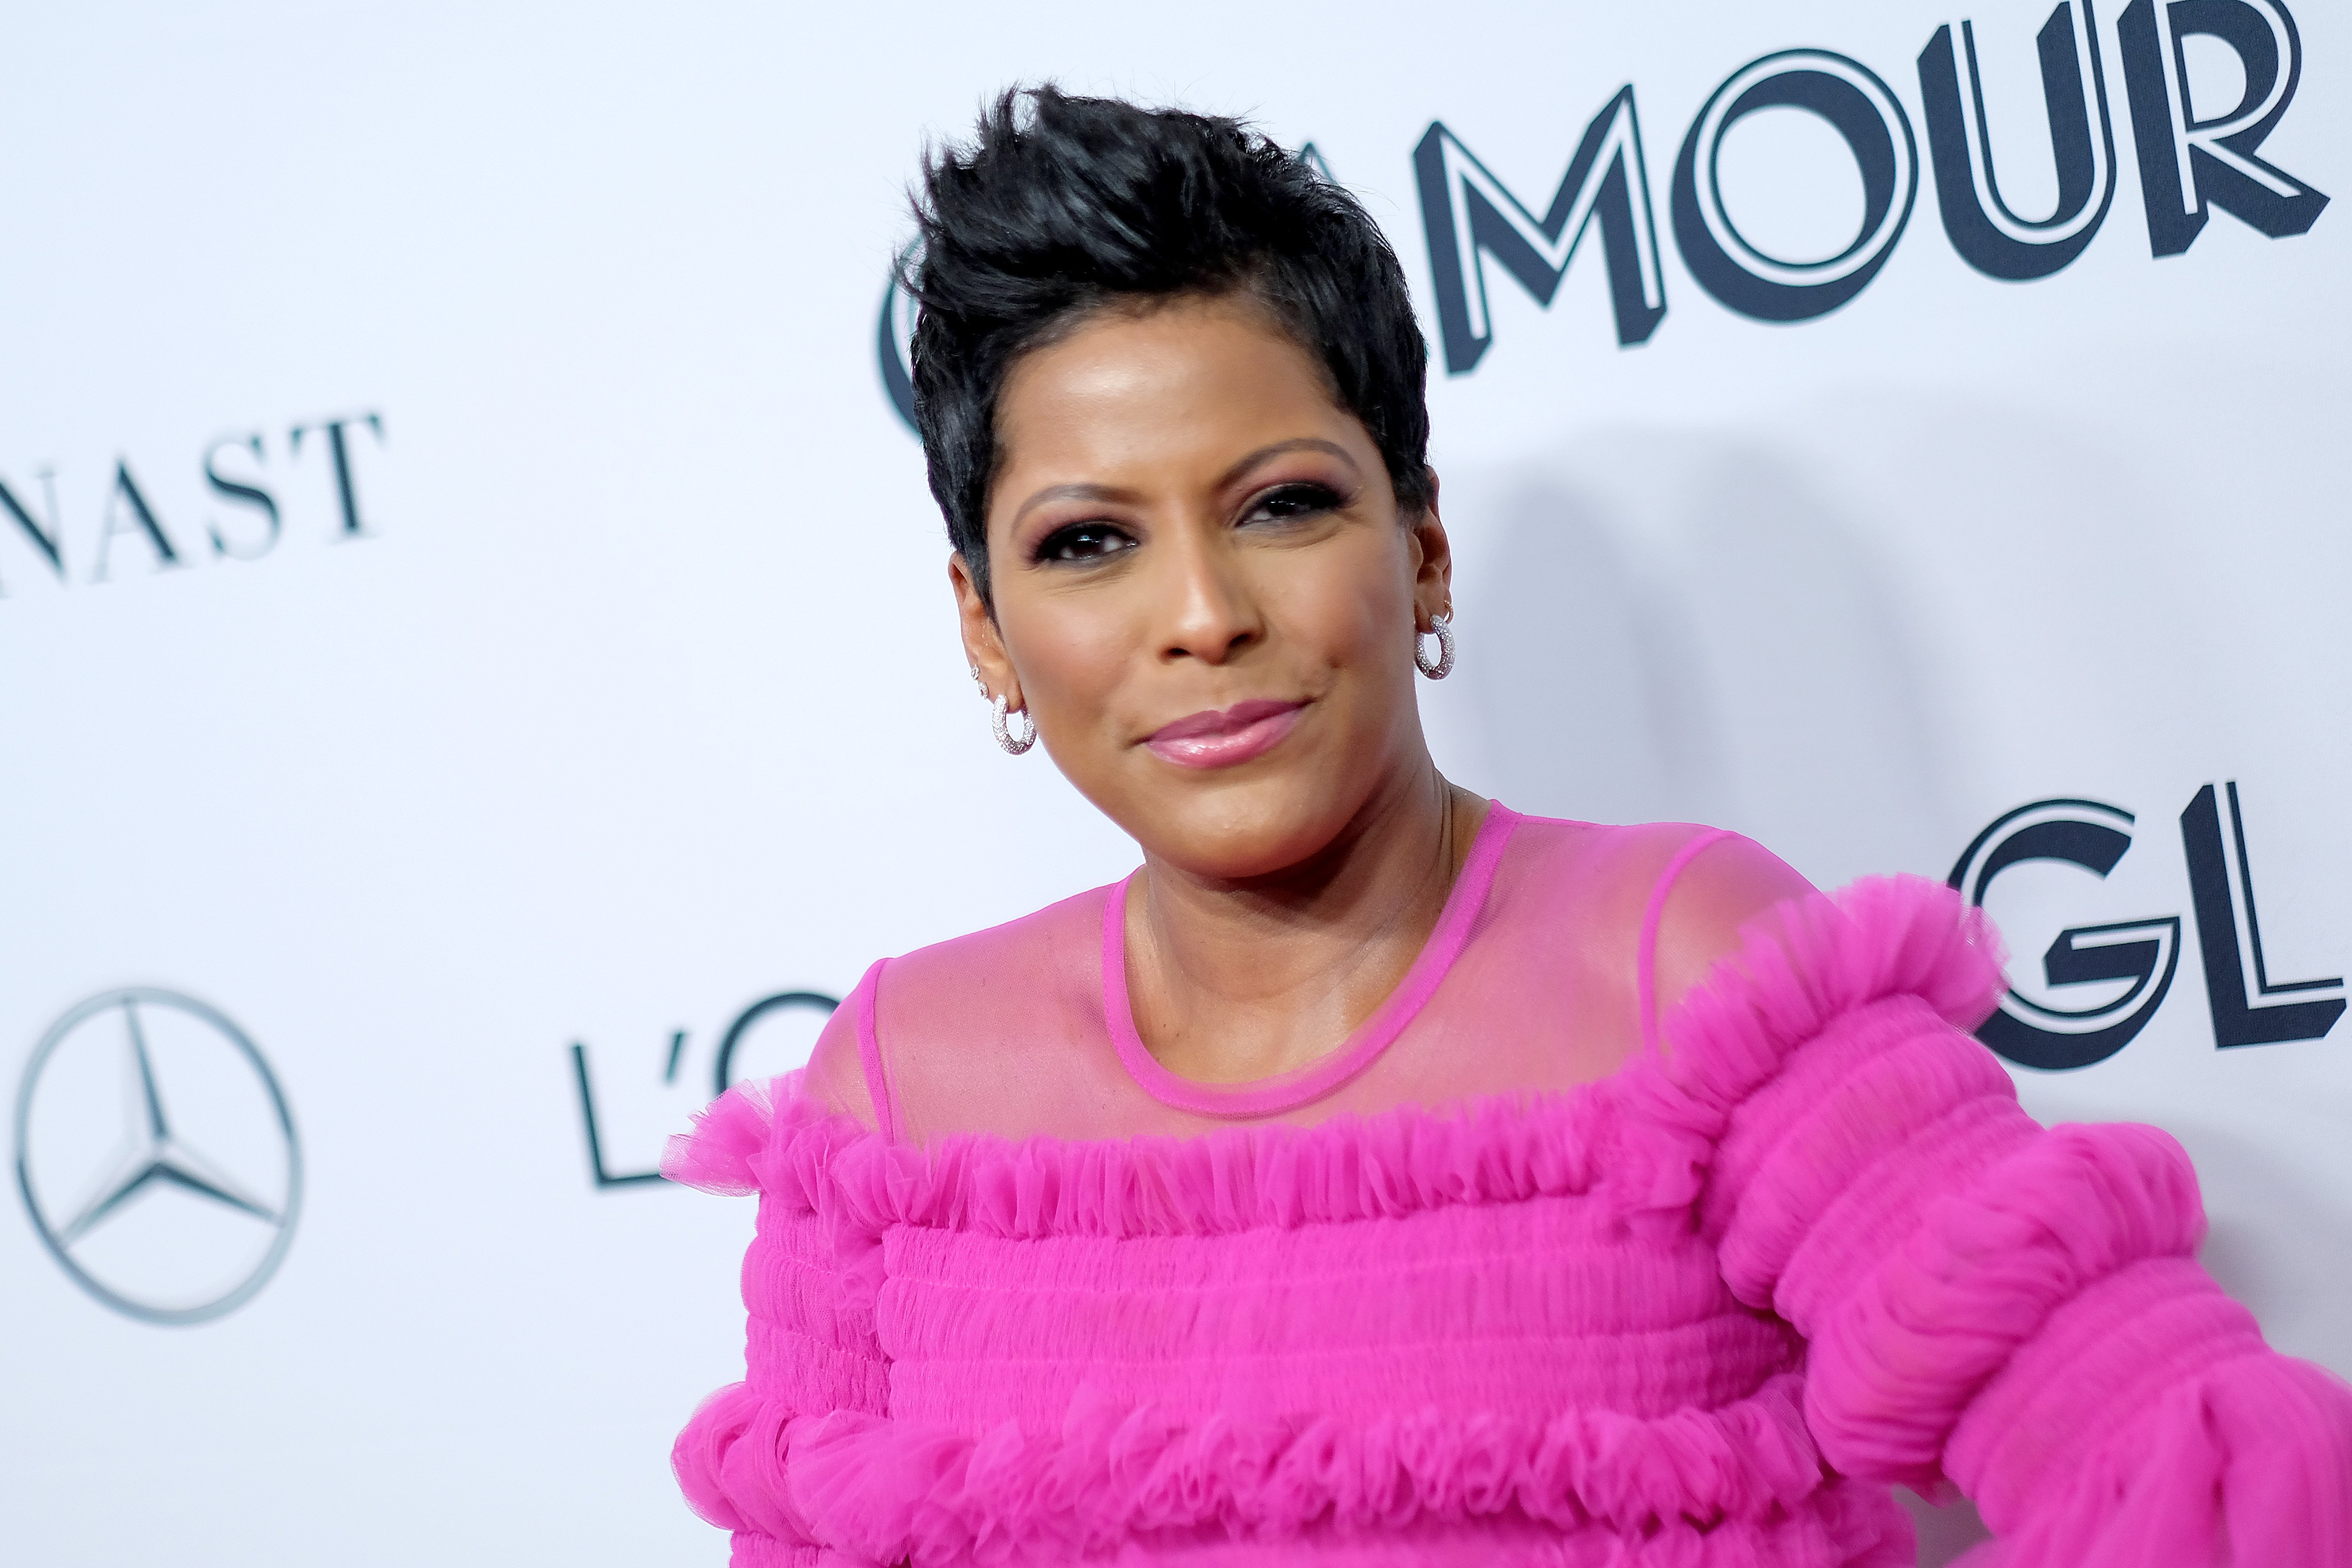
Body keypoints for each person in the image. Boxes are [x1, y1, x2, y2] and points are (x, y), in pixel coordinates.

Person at [664, 88, 2352, 1566]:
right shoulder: (899, 1095)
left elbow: (2185, 1470)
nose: (1200, 614)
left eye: (1281, 506)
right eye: (1089, 543)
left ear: (1422, 546)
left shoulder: (1691, 968)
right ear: (986, 632)